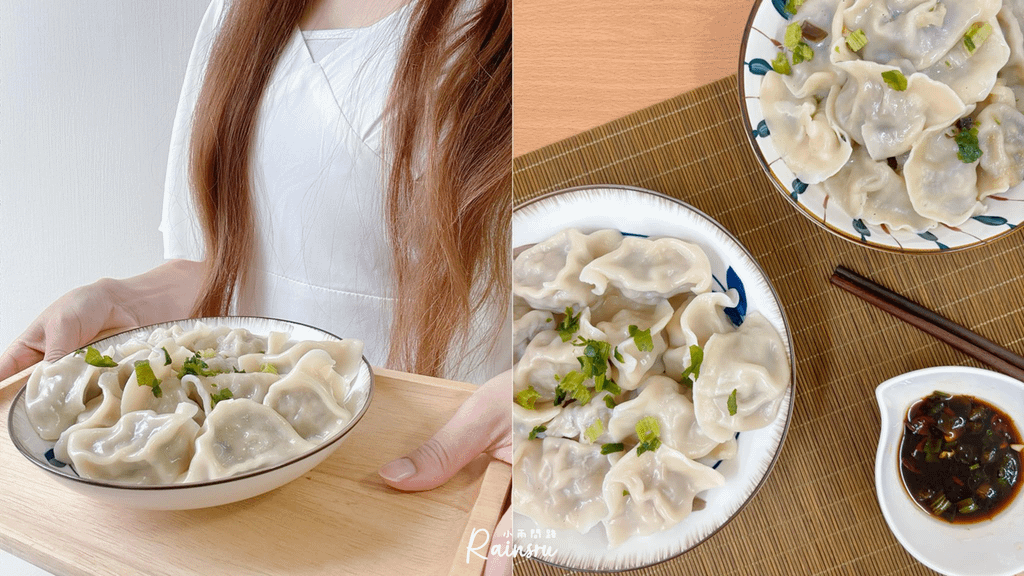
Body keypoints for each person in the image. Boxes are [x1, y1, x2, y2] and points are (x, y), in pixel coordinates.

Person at [0, 0, 511, 573]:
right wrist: (125, 302)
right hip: (231, 509)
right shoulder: (240, 12)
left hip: (439, 494)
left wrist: (564, 401)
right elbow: (215, 264)